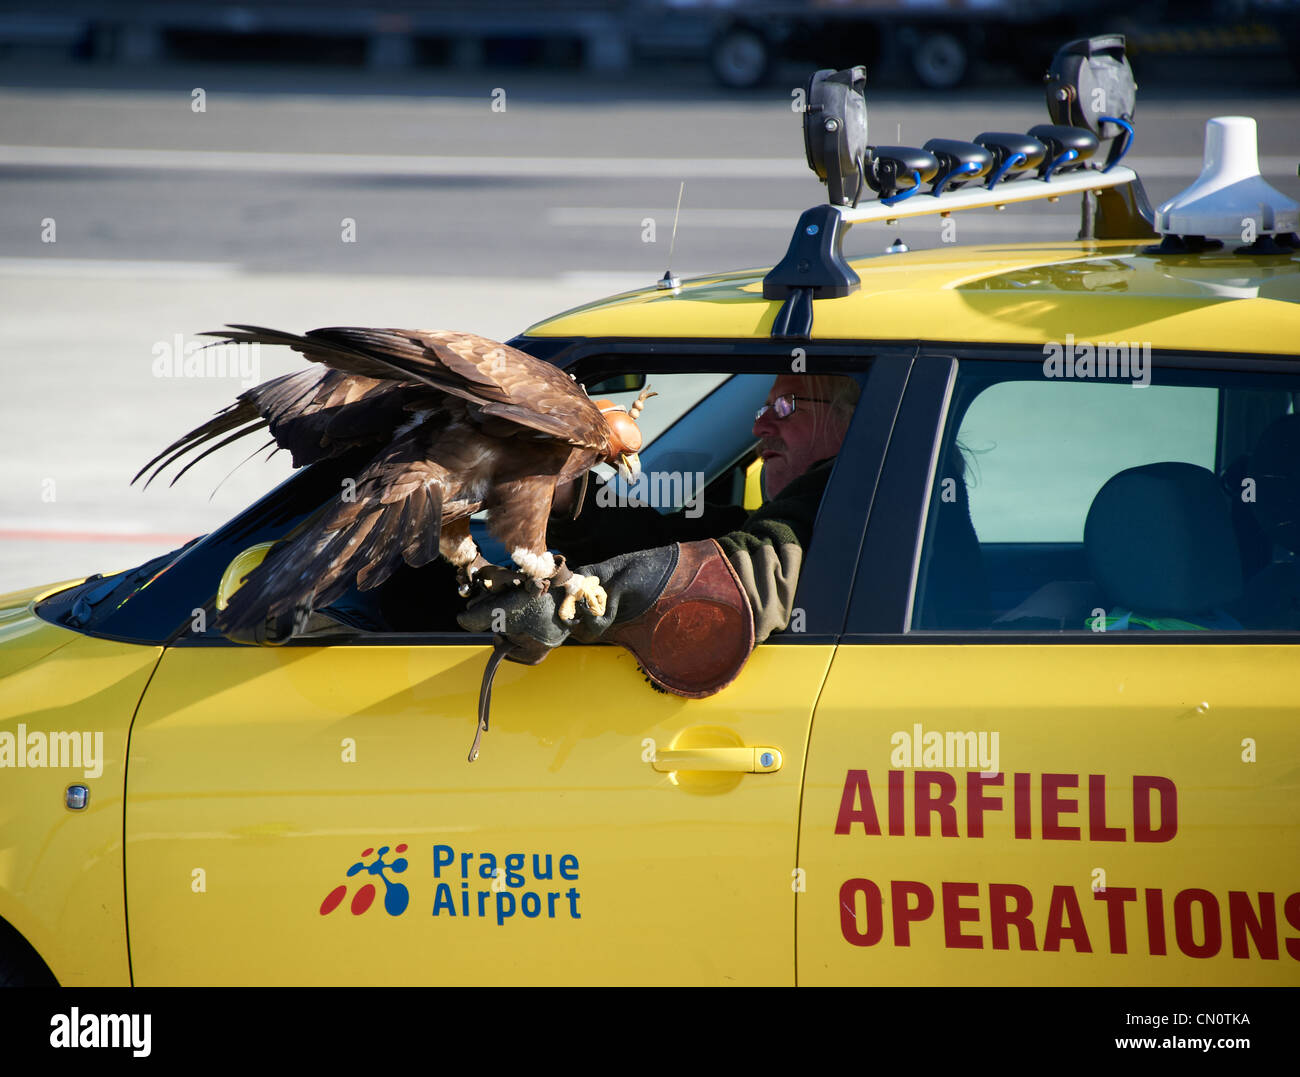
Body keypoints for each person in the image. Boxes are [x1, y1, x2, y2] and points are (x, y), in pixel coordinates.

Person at [458, 373, 860, 695]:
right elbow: (665, 542)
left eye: (785, 406)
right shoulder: (822, 508)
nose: (759, 425)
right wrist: (563, 492)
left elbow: (751, 572)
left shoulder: (836, 498)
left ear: (853, 419)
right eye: (764, 407)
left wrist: (578, 600)